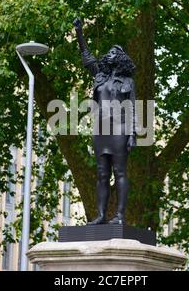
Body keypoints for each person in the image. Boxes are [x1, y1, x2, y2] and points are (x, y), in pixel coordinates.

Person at [73, 18, 137, 225]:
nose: (107, 55)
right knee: (101, 174)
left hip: (119, 129)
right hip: (101, 130)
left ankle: (119, 215)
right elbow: (87, 56)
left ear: (119, 58)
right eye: (108, 53)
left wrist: (132, 135)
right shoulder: (99, 77)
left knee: (119, 171)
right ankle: (101, 215)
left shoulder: (128, 82)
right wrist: (79, 32)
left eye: (112, 53)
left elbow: (133, 108)